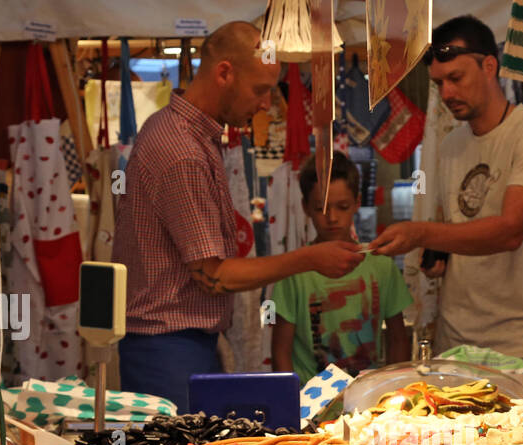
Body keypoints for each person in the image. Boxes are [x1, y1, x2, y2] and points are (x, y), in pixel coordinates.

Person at [111, 21, 363, 409]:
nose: (266, 104)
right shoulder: (182, 151)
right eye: (260, 90)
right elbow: (214, 276)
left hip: (179, 342)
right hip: (165, 348)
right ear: (224, 72)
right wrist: (310, 257)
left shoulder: (186, 132)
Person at [368, 15, 523, 363]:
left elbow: (510, 231)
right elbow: (455, 224)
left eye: (456, 78)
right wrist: (438, 254)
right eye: (438, 83)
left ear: (489, 66)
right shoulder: (452, 144)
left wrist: (421, 235)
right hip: (455, 342)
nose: (447, 93)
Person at [271, 152, 412, 384]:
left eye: (343, 206)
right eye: (321, 208)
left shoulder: (382, 266)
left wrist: (393, 389)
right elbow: (280, 352)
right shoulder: (293, 271)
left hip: (367, 402)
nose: (332, 217)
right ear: (306, 207)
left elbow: (398, 340)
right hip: (310, 405)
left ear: (357, 202)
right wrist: (292, 404)